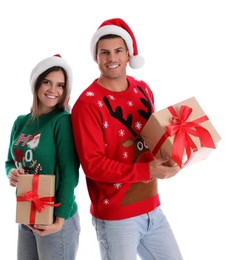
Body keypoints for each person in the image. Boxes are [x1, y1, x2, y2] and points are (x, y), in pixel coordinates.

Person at [71, 18, 183, 260]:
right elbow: (92, 165)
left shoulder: (143, 89)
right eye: (105, 52)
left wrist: (174, 154)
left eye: (118, 51)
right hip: (116, 215)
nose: (112, 59)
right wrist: (148, 171)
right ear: (96, 57)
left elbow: (152, 137)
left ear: (129, 54)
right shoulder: (88, 104)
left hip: (152, 207)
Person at [5, 54, 80, 260]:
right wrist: (12, 173)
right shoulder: (21, 122)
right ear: (37, 83)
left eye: (60, 85)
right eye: (47, 82)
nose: (53, 90)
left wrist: (59, 220)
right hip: (27, 213)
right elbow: (10, 161)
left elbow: (70, 173)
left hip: (56, 217)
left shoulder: (62, 121)